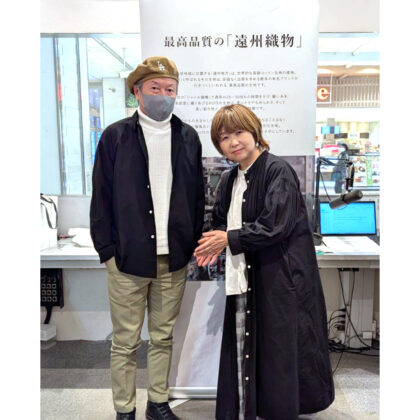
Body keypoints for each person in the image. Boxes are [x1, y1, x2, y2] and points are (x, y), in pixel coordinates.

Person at [194, 104, 334, 420]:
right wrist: (213, 240)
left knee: (277, 351)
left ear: (254, 131)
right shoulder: (230, 178)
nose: (233, 142)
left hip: (280, 278)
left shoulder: (277, 171)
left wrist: (227, 239)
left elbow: (275, 225)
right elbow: (220, 219)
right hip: (246, 275)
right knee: (245, 344)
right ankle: (249, 409)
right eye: (224, 137)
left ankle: (277, 412)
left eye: (239, 132)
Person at [90, 56, 205, 420]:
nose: (163, 95)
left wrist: (189, 244)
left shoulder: (188, 137)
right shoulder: (115, 137)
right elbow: (101, 196)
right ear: (137, 92)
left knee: (162, 337)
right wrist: (107, 251)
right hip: (126, 259)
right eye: (155, 88)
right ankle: (124, 410)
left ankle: (157, 403)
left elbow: (197, 196)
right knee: (125, 341)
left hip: (173, 260)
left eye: (170, 89)